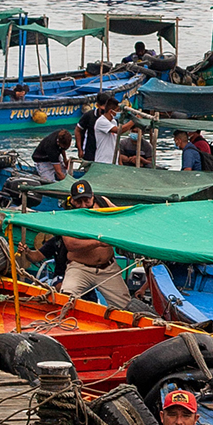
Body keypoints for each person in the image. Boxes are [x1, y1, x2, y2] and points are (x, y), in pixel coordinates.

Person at [57, 180, 132, 308]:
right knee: (65, 301)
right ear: (73, 201)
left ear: (92, 196)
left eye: (86, 200)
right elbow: (71, 245)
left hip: (107, 268)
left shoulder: (103, 202)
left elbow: (123, 218)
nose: (83, 205)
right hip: (80, 268)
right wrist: (98, 242)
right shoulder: (67, 213)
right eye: (79, 201)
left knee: (125, 306)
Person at [86, 95, 121, 165]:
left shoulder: (114, 122)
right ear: (111, 111)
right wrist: (133, 121)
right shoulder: (101, 122)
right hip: (103, 161)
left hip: (113, 161)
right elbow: (119, 130)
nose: (119, 113)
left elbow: (116, 142)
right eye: (117, 111)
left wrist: (119, 161)